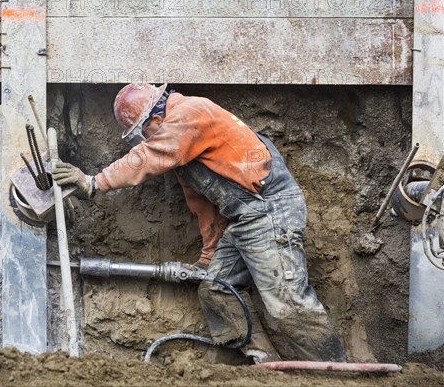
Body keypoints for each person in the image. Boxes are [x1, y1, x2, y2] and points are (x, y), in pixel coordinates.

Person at [52, 83, 346, 363]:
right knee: (215, 289)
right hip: (247, 219)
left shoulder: (190, 113)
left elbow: (150, 155)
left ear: (155, 118)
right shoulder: (186, 152)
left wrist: (94, 182)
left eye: (143, 133)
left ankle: (338, 374)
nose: (146, 139)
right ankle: (266, 365)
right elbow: (204, 206)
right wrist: (209, 257)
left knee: (289, 305)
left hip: (270, 210)